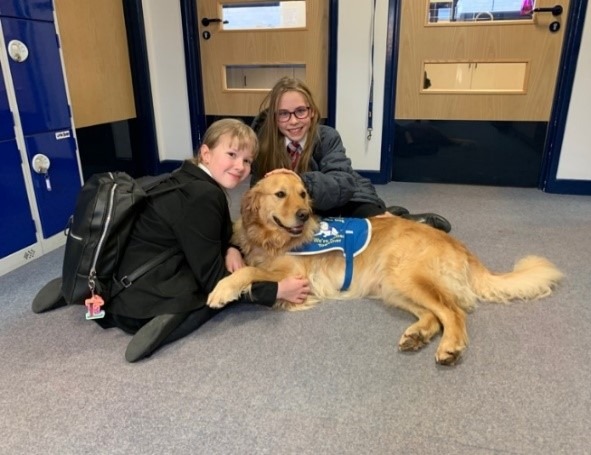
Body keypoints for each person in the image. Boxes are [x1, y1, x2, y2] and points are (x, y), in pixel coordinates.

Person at [102, 118, 310, 362]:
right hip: (141, 301)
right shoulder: (203, 196)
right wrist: (276, 290)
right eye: (231, 154)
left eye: (246, 160)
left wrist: (232, 247)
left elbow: (215, 232)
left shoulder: (187, 177)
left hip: (116, 279)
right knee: (217, 294)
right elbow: (214, 280)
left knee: (225, 267)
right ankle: (169, 324)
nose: (240, 166)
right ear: (206, 153)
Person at [251, 77, 451, 233]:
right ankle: (390, 212)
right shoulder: (265, 145)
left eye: (300, 111)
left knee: (378, 232)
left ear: (312, 112)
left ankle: (401, 220)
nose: (293, 121)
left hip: (345, 198)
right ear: (274, 118)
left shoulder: (327, 136)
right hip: (305, 211)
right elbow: (257, 196)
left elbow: (342, 184)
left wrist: (300, 182)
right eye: (284, 114)